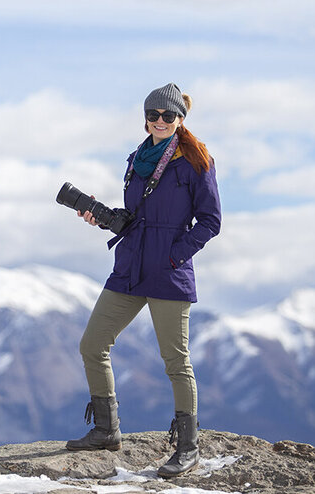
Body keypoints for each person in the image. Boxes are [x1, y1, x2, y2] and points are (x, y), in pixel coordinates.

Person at [65, 83, 221, 478]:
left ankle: (188, 448)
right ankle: (106, 430)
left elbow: (211, 221)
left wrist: (174, 253)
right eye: (153, 115)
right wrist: (105, 217)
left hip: (169, 273)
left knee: (175, 362)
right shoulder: (136, 158)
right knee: (92, 344)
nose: (159, 121)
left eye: (167, 116)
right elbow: (140, 213)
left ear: (180, 118)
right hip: (130, 268)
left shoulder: (196, 161)